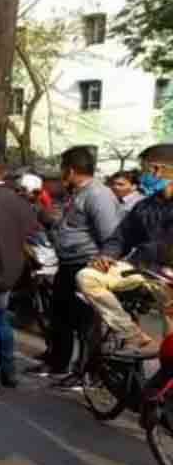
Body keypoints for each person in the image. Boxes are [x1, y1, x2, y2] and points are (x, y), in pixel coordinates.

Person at [29, 146, 121, 384]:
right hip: (67, 264)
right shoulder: (76, 193)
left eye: (62, 169)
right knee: (60, 316)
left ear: (70, 170)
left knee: (85, 322)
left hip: (86, 265)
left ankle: (86, 373)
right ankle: (58, 362)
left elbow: (110, 235)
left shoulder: (98, 195)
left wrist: (99, 264)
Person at [77, 145, 173, 355]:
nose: (143, 174)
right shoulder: (144, 206)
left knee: (170, 344)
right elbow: (121, 237)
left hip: (166, 277)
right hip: (142, 269)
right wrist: (107, 255)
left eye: (146, 169)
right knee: (87, 277)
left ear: (160, 170)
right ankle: (134, 336)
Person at [0, 153, 38, 390]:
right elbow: (32, 231)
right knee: (2, 319)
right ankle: (9, 369)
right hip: (12, 270)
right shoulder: (19, 201)